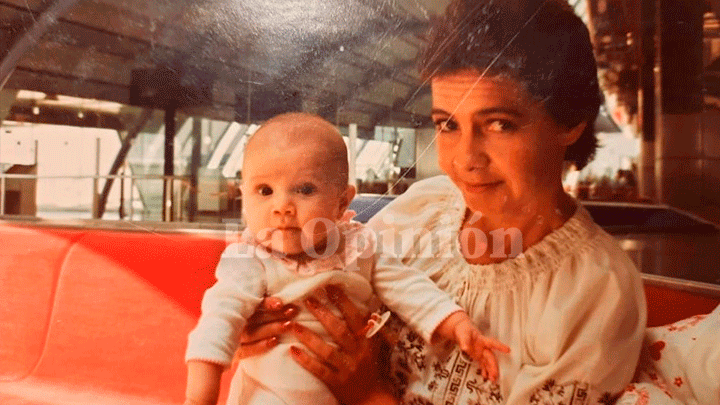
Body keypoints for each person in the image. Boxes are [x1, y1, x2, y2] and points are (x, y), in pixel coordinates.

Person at [236, 1, 647, 404]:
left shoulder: (598, 292)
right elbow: (323, 281)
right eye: (447, 125)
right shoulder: (425, 207)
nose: (465, 159)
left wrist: (366, 394)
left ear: (570, 119)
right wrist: (262, 335)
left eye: (499, 124)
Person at [183, 112, 509, 405]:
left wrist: (457, 324)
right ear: (243, 199)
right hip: (271, 391)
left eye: (305, 190)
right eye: (265, 190)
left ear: (342, 203)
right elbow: (219, 319)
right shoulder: (250, 257)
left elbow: (411, 288)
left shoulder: (361, 246)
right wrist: (201, 395)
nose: (282, 207)